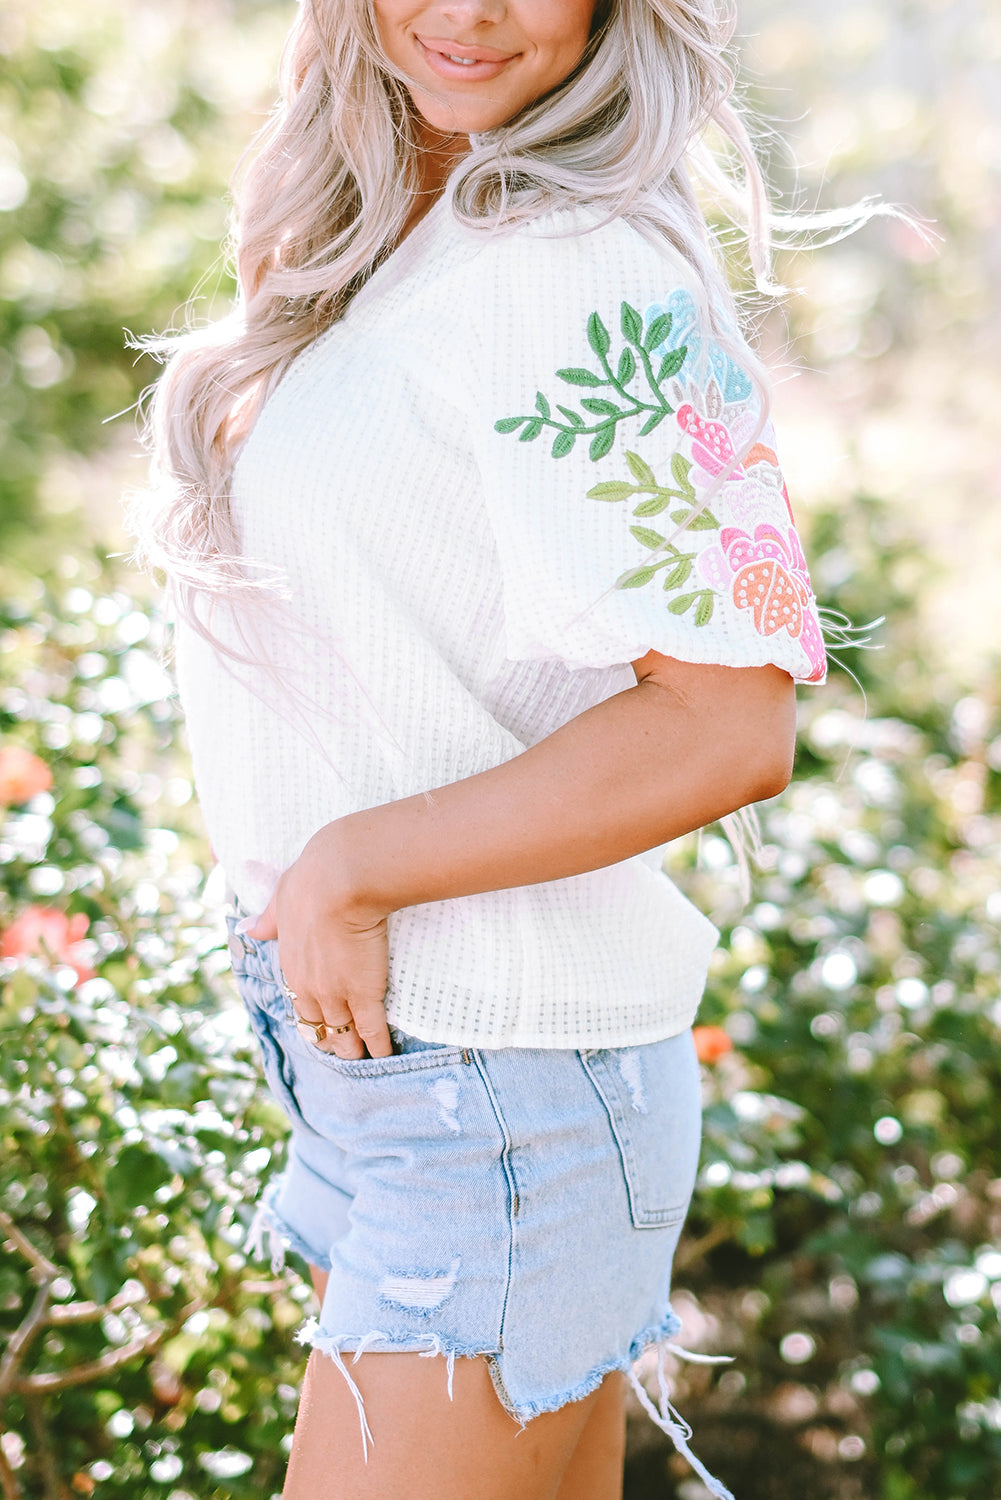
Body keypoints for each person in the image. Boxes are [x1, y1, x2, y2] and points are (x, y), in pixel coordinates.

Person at [134, 2, 833, 1496]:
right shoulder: (437, 232)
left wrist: (351, 870)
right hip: (436, 1079)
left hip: (492, 1091)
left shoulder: (569, 268)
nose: (465, 11)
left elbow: (728, 718)